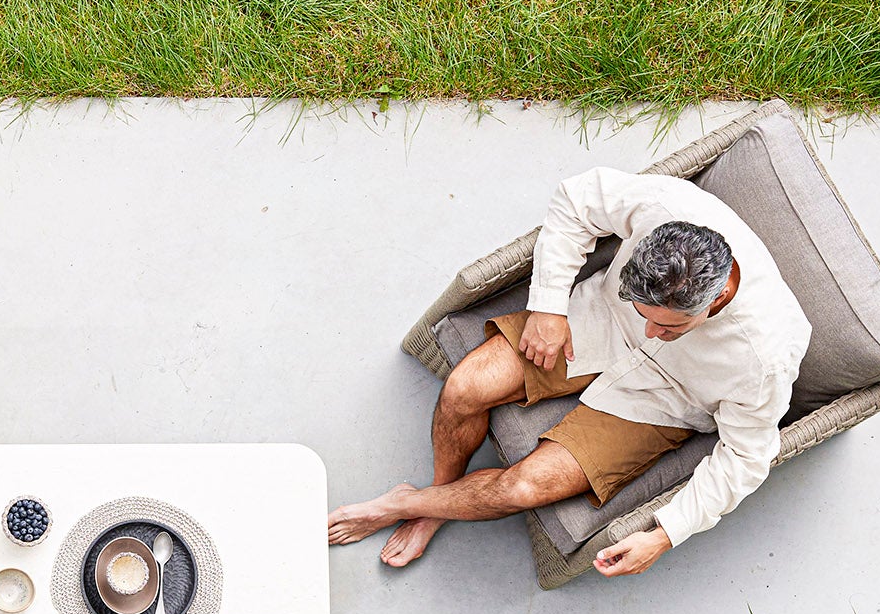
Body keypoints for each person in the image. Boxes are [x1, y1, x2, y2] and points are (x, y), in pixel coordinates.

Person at [328, 167, 810, 578]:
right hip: (597, 322)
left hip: (666, 398)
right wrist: (548, 308)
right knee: (465, 387)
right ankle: (435, 499)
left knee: (523, 487)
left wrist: (666, 534)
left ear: (716, 301)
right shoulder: (667, 205)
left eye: (667, 325)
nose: (651, 330)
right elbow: (577, 198)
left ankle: (405, 505)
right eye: (643, 310)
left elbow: (747, 456)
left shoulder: (765, 355)